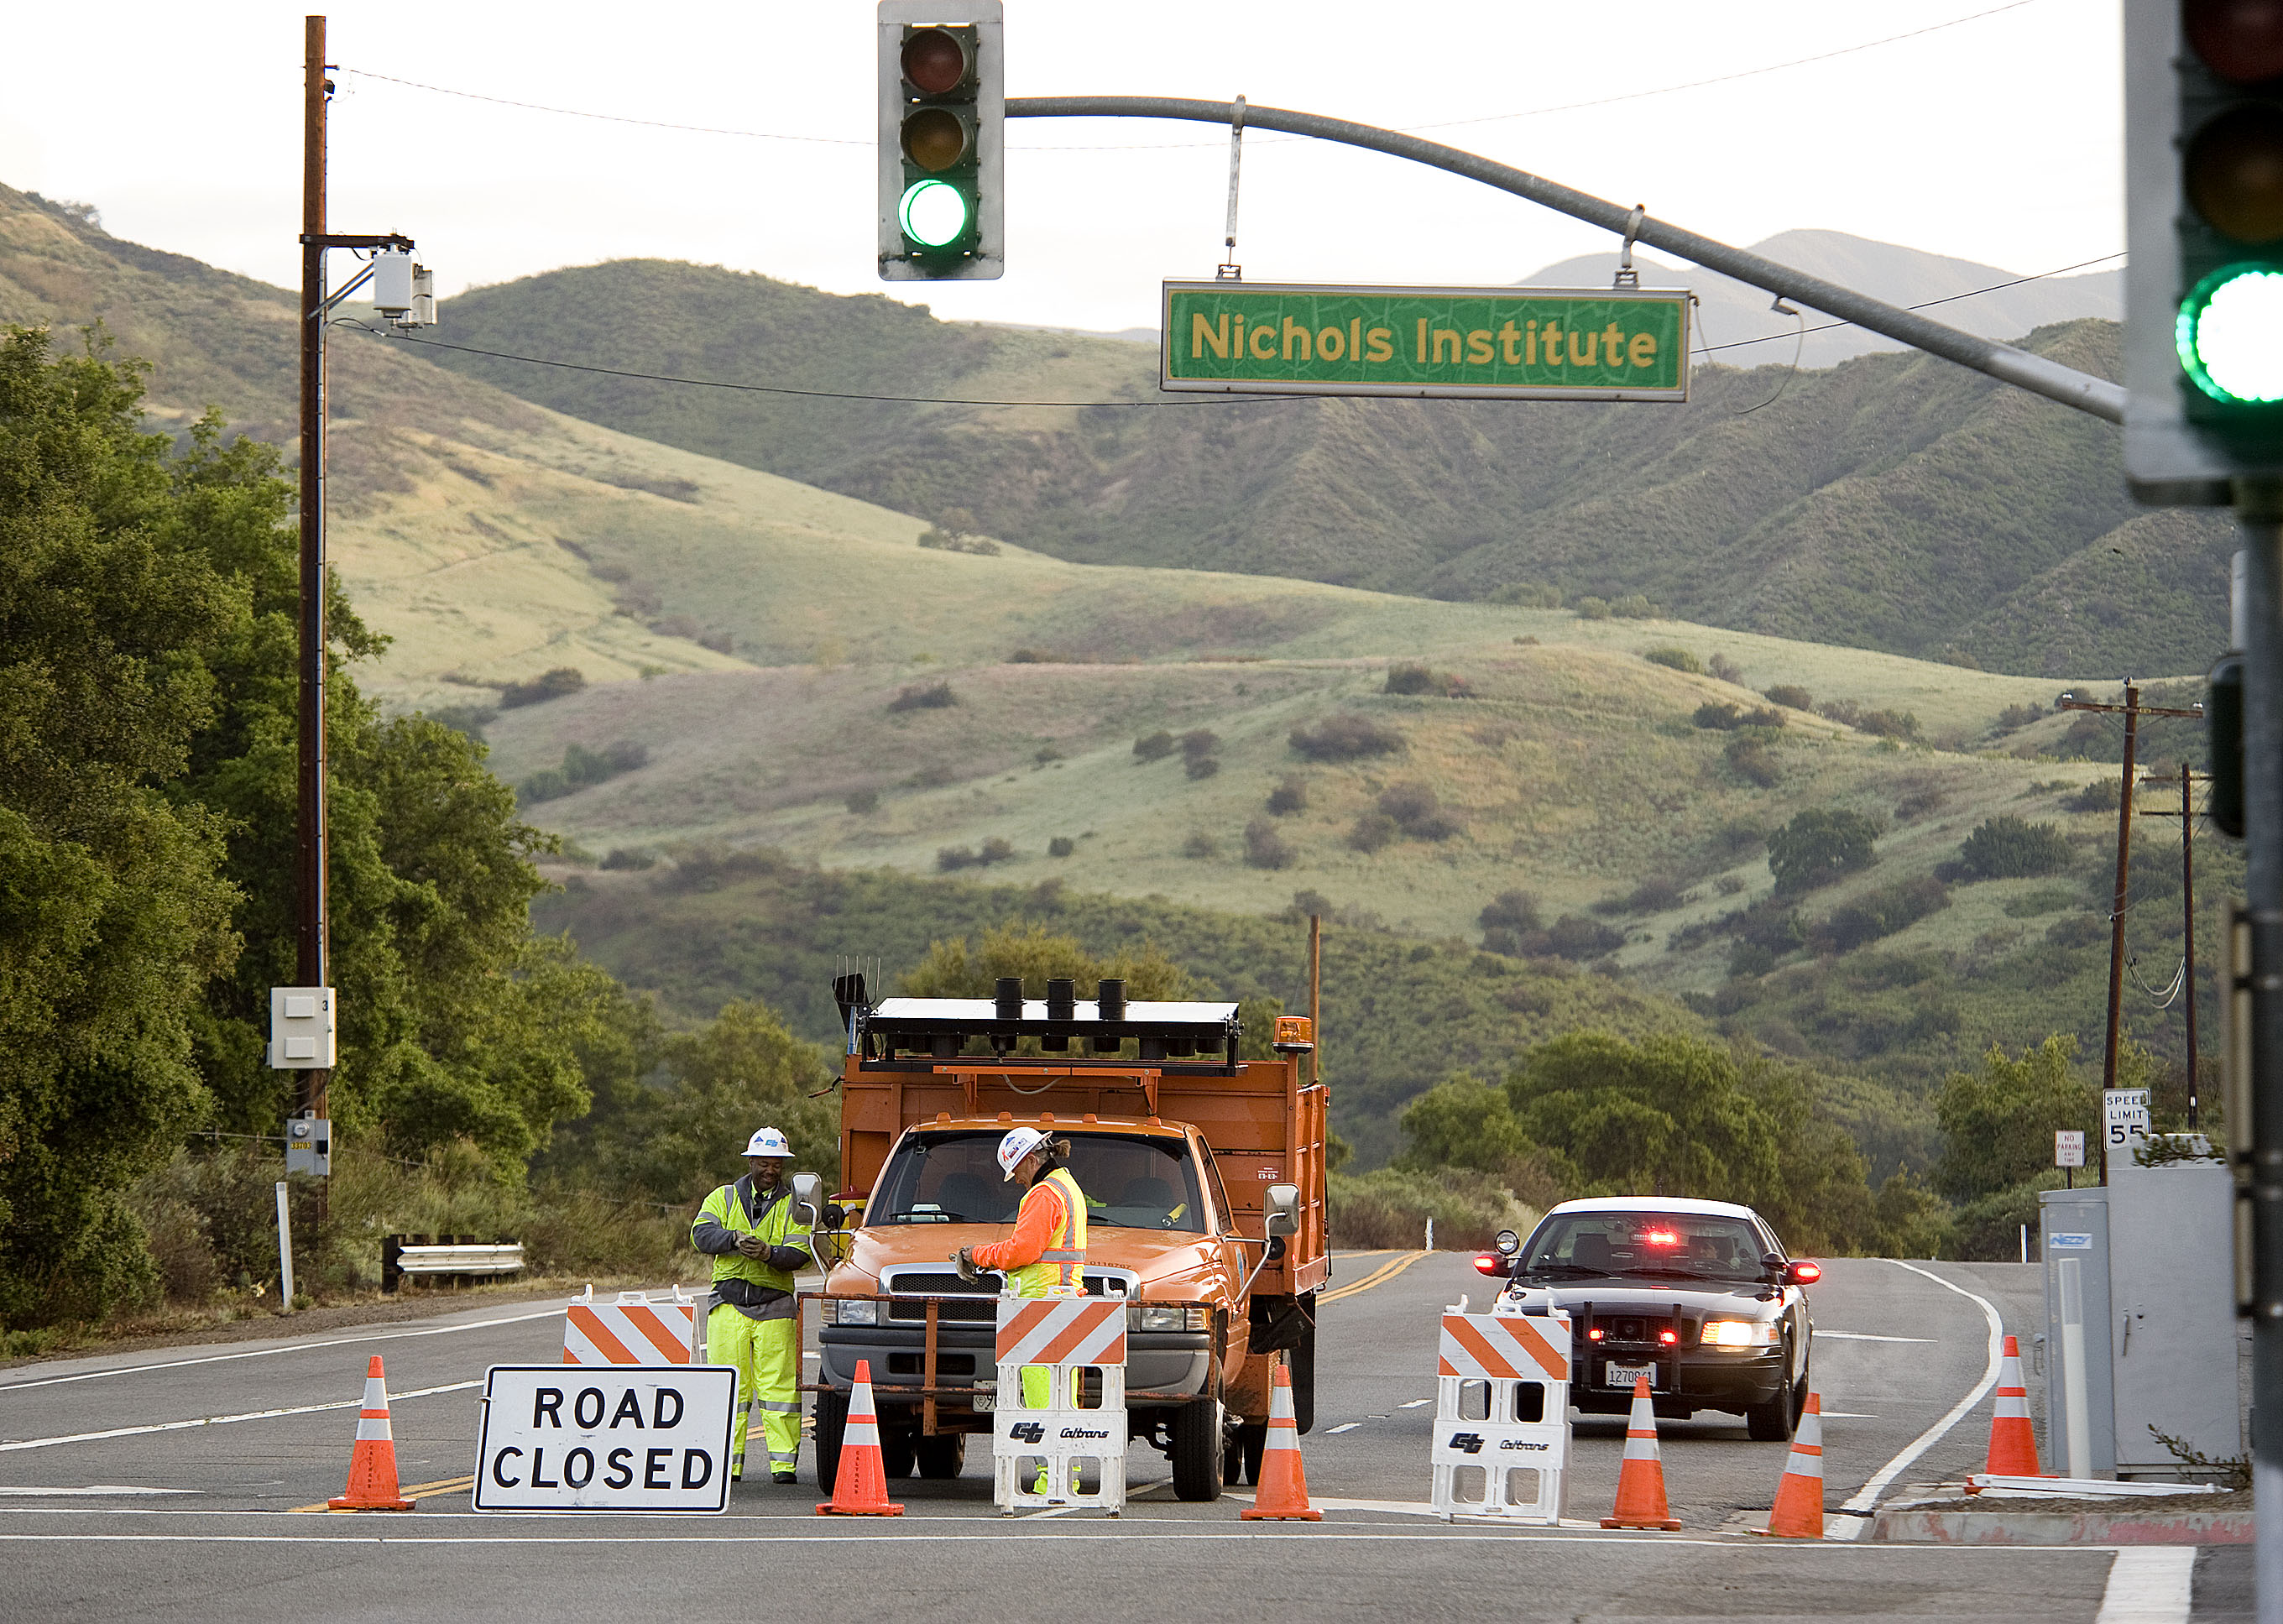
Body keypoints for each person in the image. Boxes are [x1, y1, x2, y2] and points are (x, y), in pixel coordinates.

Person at [959, 1126, 1087, 1493]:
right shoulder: (1068, 1188)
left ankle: (1053, 1479)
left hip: (1041, 1310)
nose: (1017, 1180)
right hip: (1063, 1305)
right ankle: (1067, 1477)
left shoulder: (1044, 1194)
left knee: (1041, 1402)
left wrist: (976, 1255)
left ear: (1031, 1159)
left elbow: (1021, 1252)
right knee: (1064, 1401)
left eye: (1017, 1171)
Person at [692, 1127, 813, 1484]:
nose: (771, 1170)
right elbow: (700, 1234)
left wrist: (769, 1253)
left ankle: (784, 1467)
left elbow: (801, 1253)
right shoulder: (724, 1198)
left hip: (774, 1304)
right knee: (729, 1389)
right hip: (728, 1303)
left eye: (777, 1164)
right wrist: (733, 1239)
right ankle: (728, 1466)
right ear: (750, 1162)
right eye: (764, 1163)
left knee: (780, 1392)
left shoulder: (796, 1206)